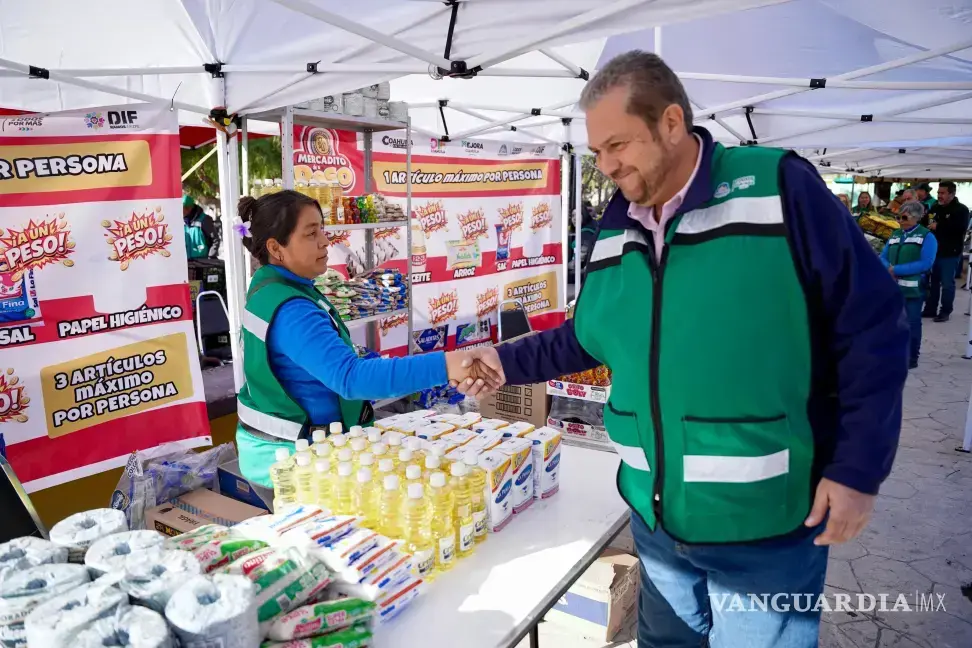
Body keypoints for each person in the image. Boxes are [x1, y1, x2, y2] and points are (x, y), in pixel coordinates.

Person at [459, 51, 908, 648]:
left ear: (672, 122)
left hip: (764, 521)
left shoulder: (778, 188)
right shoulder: (617, 224)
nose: (607, 165)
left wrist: (858, 471)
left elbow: (873, 328)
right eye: (597, 152)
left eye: (617, 145)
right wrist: (504, 360)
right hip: (653, 518)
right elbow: (589, 335)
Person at [234, 190, 496, 486]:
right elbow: (351, 379)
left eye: (322, 229)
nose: (324, 241)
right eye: (310, 233)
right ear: (276, 248)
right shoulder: (292, 309)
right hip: (290, 460)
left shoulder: (272, 286)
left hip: (283, 448)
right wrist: (448, 365)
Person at [881, 201, 937, 368]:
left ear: (916, 217)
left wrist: (896, 269)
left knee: (912, 323)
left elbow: (926, 262)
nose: (900, 220)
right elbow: (883, 256)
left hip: (913, 288)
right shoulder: (895, 234)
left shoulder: (927, 236)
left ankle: (911, 357)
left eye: (904, 217)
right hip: (892, 289)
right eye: (898, 216)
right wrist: (888, 268)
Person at [922, 181, 970, 322]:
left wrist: (940, 226)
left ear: (952, 194)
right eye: (938, 193)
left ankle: (945, 311)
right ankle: (930, 309)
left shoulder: (961, 210)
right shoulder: (935, 207)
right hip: (934, 252)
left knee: (947, 283)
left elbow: (961, 229)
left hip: (950, 252)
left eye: (942, 193)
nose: (939, 195)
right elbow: (927, 221)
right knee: (933, 282)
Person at [183, 194, 219, 259]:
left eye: (185, 208)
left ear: (191, 207)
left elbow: (215, 239)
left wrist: (211, 256)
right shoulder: (180, 221)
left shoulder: (204, 220)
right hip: (186, 262)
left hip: (203, 262)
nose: (182, 211)